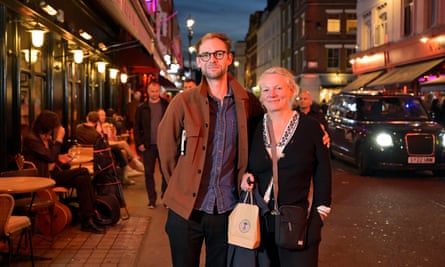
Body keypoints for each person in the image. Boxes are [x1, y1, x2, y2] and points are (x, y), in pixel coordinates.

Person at [157, 32, 264, 267]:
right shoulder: (183, 102)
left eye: (218, 54)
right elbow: (166, 151)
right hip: (186, 212)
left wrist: (312, 129)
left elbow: (269, 130)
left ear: (228, 59)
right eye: (205, 55)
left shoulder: (247, 102)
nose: (211, 59)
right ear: (198, 61)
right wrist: (181, 183)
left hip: (226, 209)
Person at [241, 67, 332, 267]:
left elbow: (323, 174)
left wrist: (320, 215)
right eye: (265, 90)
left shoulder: (311, 128)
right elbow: (242, 163)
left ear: (292, 90)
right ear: (261, 96)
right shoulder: (251, 127)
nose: (272, 94)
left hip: (298, 221)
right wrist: (243, 176)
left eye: (278, 88)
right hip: (258, 221)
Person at [22, 110, 106, 234]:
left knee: (82, 178)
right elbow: (49, 157)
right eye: (53, 128)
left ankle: (89, 217)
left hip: (51, 173)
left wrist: (60, 158)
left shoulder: (44, 137)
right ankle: (90, 214)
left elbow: (51, 157)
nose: (54, 131)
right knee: (83, 171)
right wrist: (60, 139)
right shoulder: (31, 139)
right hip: (43, 179)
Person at [75, 111, 141, 185]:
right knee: (117, 150)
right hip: (97, 155)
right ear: (97, 121)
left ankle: (126, 170)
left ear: (87, 118)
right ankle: (126, 169)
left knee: (118, 149)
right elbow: (103, 144)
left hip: (82, 154)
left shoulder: (78, 129)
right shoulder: (96, 134)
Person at [134, 80, 169, 209]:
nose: (154, 93)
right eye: (152, 91)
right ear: (148, 92)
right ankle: (152, 200)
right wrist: (139, 143)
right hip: (148, 145)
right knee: (148, 172)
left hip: (163, 144)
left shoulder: (166, 105)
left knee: (165, 172)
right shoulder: (142, 108)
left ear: (159, 91)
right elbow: (136, 127)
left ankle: (166, 198)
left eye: (156, 91)